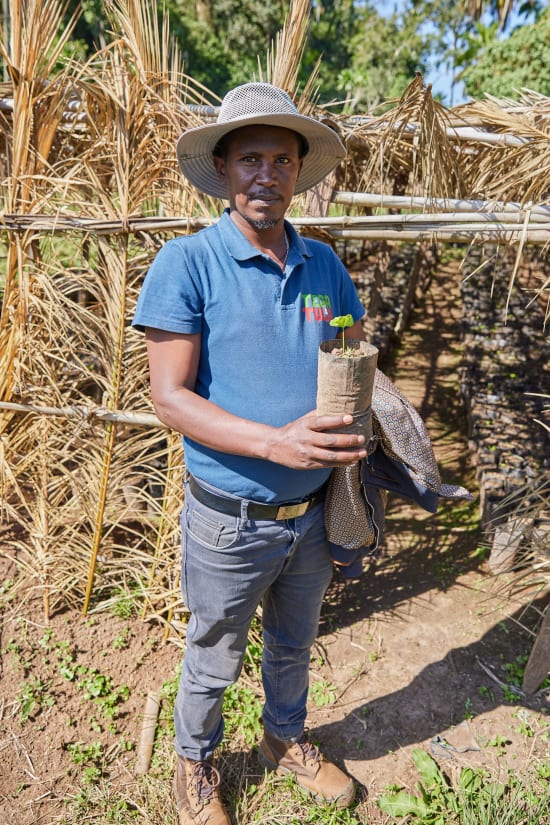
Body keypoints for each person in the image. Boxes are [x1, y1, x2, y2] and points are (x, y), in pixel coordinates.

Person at [133, 82, 368, 825]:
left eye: (281, 159)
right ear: (225, 169)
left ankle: (283, 737)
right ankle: (196, 765)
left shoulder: (324, 267)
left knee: (295, 642)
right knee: (212, 653)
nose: (267, 173)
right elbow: (169, 397)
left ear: (298, 171)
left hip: (309, 516)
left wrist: (361, 397)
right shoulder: (188, 264)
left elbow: (349, 343)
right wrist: (276, 440)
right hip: (228, 518)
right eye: (251, 159)